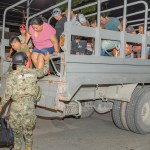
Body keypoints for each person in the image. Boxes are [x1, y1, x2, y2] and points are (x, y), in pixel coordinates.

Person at [0, 51, 50, 150]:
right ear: (26, 62)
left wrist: (1, 105)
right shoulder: (32, 72)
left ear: (14, 63)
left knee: (17, 136)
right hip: (29, 108)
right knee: (28, 134)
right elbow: (44, 71)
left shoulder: (11, 76)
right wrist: (47, 60)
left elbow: (7, 94)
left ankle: (17, 148)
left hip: (16, 109)